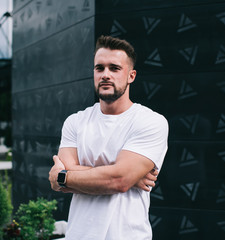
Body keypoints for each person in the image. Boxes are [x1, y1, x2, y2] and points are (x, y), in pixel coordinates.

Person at [49, 35, 169, 240]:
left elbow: (118, 181)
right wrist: (124, 175)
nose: (105, 74)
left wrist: (65, 175)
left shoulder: (150, 122)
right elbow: (116, 178)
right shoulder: (75, 122)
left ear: (131, 76)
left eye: (114, 68)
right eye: (99, 68)